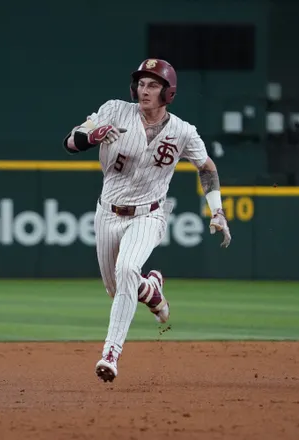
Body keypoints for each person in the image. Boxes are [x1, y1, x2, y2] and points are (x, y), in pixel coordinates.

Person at [61, 58, 231, 383]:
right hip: (108, 213)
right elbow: (70, 142)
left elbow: (206, 167)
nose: (144, 90)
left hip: (149, 214)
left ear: (168, 93)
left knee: (126, 270)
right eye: (141, 83)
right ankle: (152, 291)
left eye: (153, 84)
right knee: (117, 289)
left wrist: (217, 210)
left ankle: (110, 354)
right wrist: (94, 134)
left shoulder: (183, 131)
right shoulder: (114, 110)